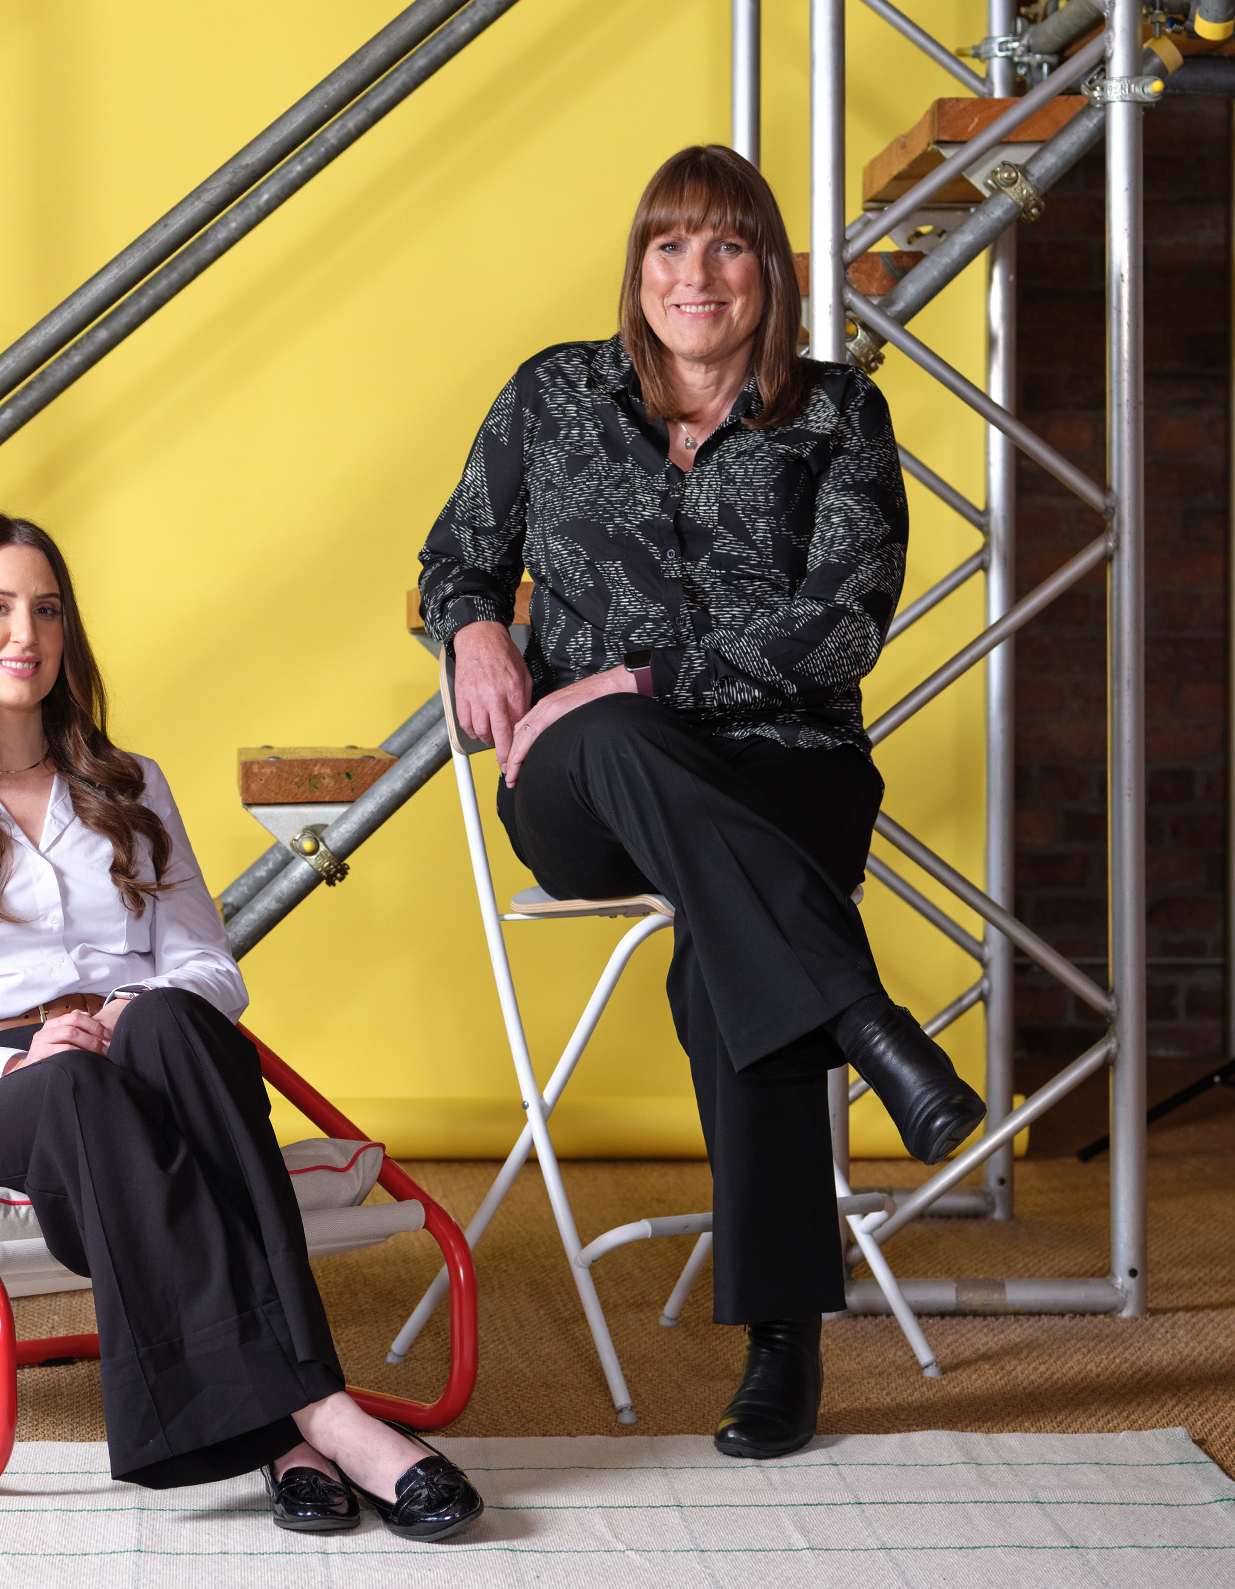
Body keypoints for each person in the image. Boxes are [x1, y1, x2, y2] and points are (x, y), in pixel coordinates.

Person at [416, 145, 986, 1460]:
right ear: (637, 269)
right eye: (668, 245)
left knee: (731, 957)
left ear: (772, 276)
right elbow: (459, 552)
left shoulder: (840, 417)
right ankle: (870, 1020)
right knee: (619, 737)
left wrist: (626, 670)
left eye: (727, 246)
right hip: (584, 789)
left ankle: (781, 1344)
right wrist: (477, 634)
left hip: (789, 764)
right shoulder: (553, 395)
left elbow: (841, 630)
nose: (696, 274)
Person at [0, 511, 484, 1539]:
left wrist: (133, 1007)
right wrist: (10, 1068)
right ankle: (321, 1408)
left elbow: (210, 965)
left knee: (173, 1019)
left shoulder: (128, 785)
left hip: (139, 1061)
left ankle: (288, 1434)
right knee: (77, 1079)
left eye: (45, 609)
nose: (22, 634)